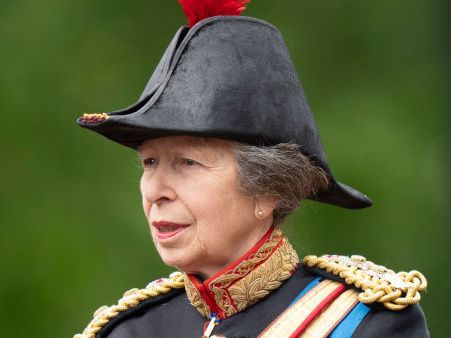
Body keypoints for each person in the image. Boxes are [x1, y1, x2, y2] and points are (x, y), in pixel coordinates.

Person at [73, 1, 429, 337]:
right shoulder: (126, 331)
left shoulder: (365, 323)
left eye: (187, 162)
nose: (155, 191)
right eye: (150, 162)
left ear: (269, 189)